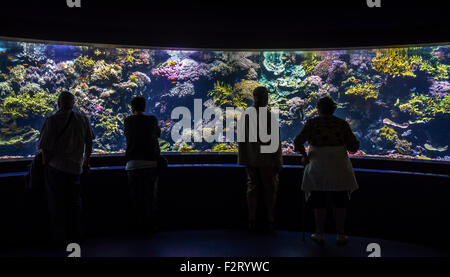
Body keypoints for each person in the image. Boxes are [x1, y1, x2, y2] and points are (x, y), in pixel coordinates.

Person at [294, 96, 359, 245]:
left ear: (318, 109)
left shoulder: (312, 123)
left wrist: (304, 156)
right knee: (340, 201)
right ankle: (341, 235)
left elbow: (297, 142)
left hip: (318, 165)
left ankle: (319, 233)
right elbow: (353, 147)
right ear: (334, 109)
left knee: (319, 200)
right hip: (339, 166)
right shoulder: (342, 124)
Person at [38, 90, 95, 245]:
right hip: (76, 168)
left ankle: (60, 238)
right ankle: (76, 236)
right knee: (75, 202)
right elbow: (89, 142)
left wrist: (44, 165)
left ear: (59, 103)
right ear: (73, 103)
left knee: (56, 203)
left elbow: (45, 147)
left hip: (56, 168)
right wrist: (86, 161)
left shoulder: (52, 120)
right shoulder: (83, 118)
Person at [238, 86, 282, 232]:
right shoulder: (268, 115)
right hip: (267, 160)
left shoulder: (246, 114)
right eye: (265, 95)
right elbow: (275, 141)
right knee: (270, 189)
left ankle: (252, 220)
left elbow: (242, 141)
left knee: (252, 188)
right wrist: (278, 161)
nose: (266, 98)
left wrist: (243, 159)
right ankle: (270, 219)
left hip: (251, 159)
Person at [124, 96, 161, 233]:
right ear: (144, 107)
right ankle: (150, 227)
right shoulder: (152, 120)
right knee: (150, 197)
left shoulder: (127, 120)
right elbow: (157, 134)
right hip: (150, 163)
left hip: (132, 163)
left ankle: (136, 227)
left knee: (135, 197)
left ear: (132, 108)